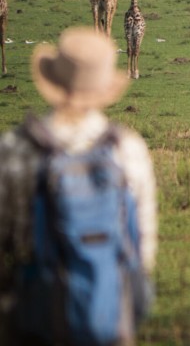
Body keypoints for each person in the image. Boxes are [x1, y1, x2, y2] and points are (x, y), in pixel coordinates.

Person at [0, 26, 157, 345]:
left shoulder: (17, 147)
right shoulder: (128, 149)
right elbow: (143, 248)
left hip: (36, 314)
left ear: (52, 81)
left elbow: (7, 238)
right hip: (110, 315)